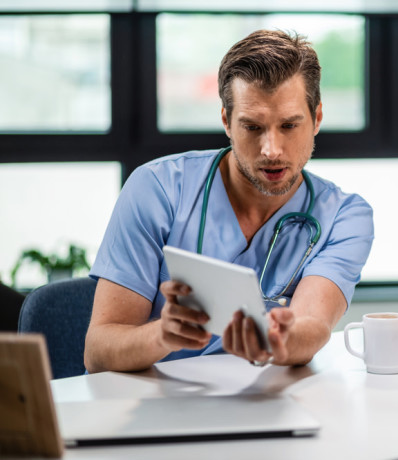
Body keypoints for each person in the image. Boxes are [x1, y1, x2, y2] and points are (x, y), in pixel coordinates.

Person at [84, 30, 374, 373]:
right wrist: (161, 335)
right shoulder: (157, 189)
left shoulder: (344, 216)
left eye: (289, 125)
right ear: (226, 121)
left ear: (317, 119)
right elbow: (98, 350)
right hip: (156, 406)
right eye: (252, 127)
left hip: (263, 405)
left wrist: (276, 339)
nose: (272, 150)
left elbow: (312, 328)